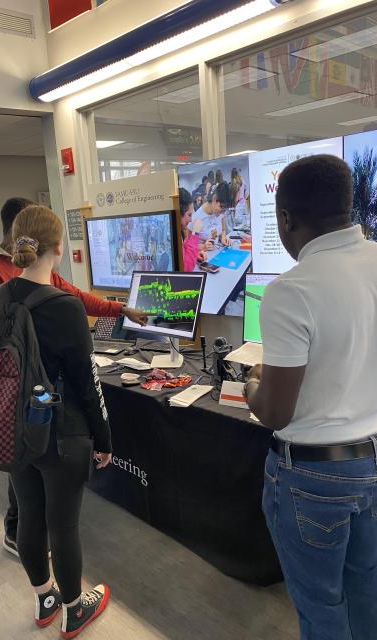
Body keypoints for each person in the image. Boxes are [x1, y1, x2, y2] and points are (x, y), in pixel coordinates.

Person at [243, 155, 377, 640]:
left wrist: (250, 384)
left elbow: (276, 411)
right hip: (372, 462)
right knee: (367, 594)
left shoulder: (290, 290)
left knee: (320, 606)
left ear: (285, 219)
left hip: (311, 478)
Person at [0, 197, 147, 557]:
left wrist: (119, 308)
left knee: (38, 504)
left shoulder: (37, 280)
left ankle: (42, 585)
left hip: (45, 402)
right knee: (32, 507)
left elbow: (75, 297)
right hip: (18, 402)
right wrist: (103, 436)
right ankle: (14, 533)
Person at [2, 204, 111, 637]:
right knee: (62, 524)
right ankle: (74, 608)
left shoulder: (2, 294)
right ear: (58, 248)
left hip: (14, 427)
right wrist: (104, 438)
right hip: (61, 432)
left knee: (30, 514)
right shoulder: (64, 306)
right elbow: (88, 384)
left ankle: (45, 598)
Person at [179, 187, 211, 271]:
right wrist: (195, 233)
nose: (190, 220)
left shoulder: (180, 230)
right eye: (189, 215)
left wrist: (195, 255)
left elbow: (185, 253)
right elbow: (187, 268)